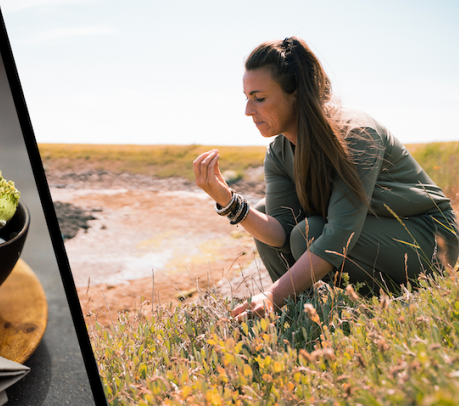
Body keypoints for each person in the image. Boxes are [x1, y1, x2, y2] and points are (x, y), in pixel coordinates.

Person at [193, 37, 459, 321]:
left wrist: (272, 295)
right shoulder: (279, 151)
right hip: (373, 236)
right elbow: (280, 233)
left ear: (296, 93)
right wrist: (228, 201)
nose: (248, 110)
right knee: (262, 212)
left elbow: (340, 234)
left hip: (430, 240)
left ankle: (298, 307)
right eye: (246, 98)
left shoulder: (356, 134)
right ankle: (301, 320)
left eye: (259, 98)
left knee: (309, 233)